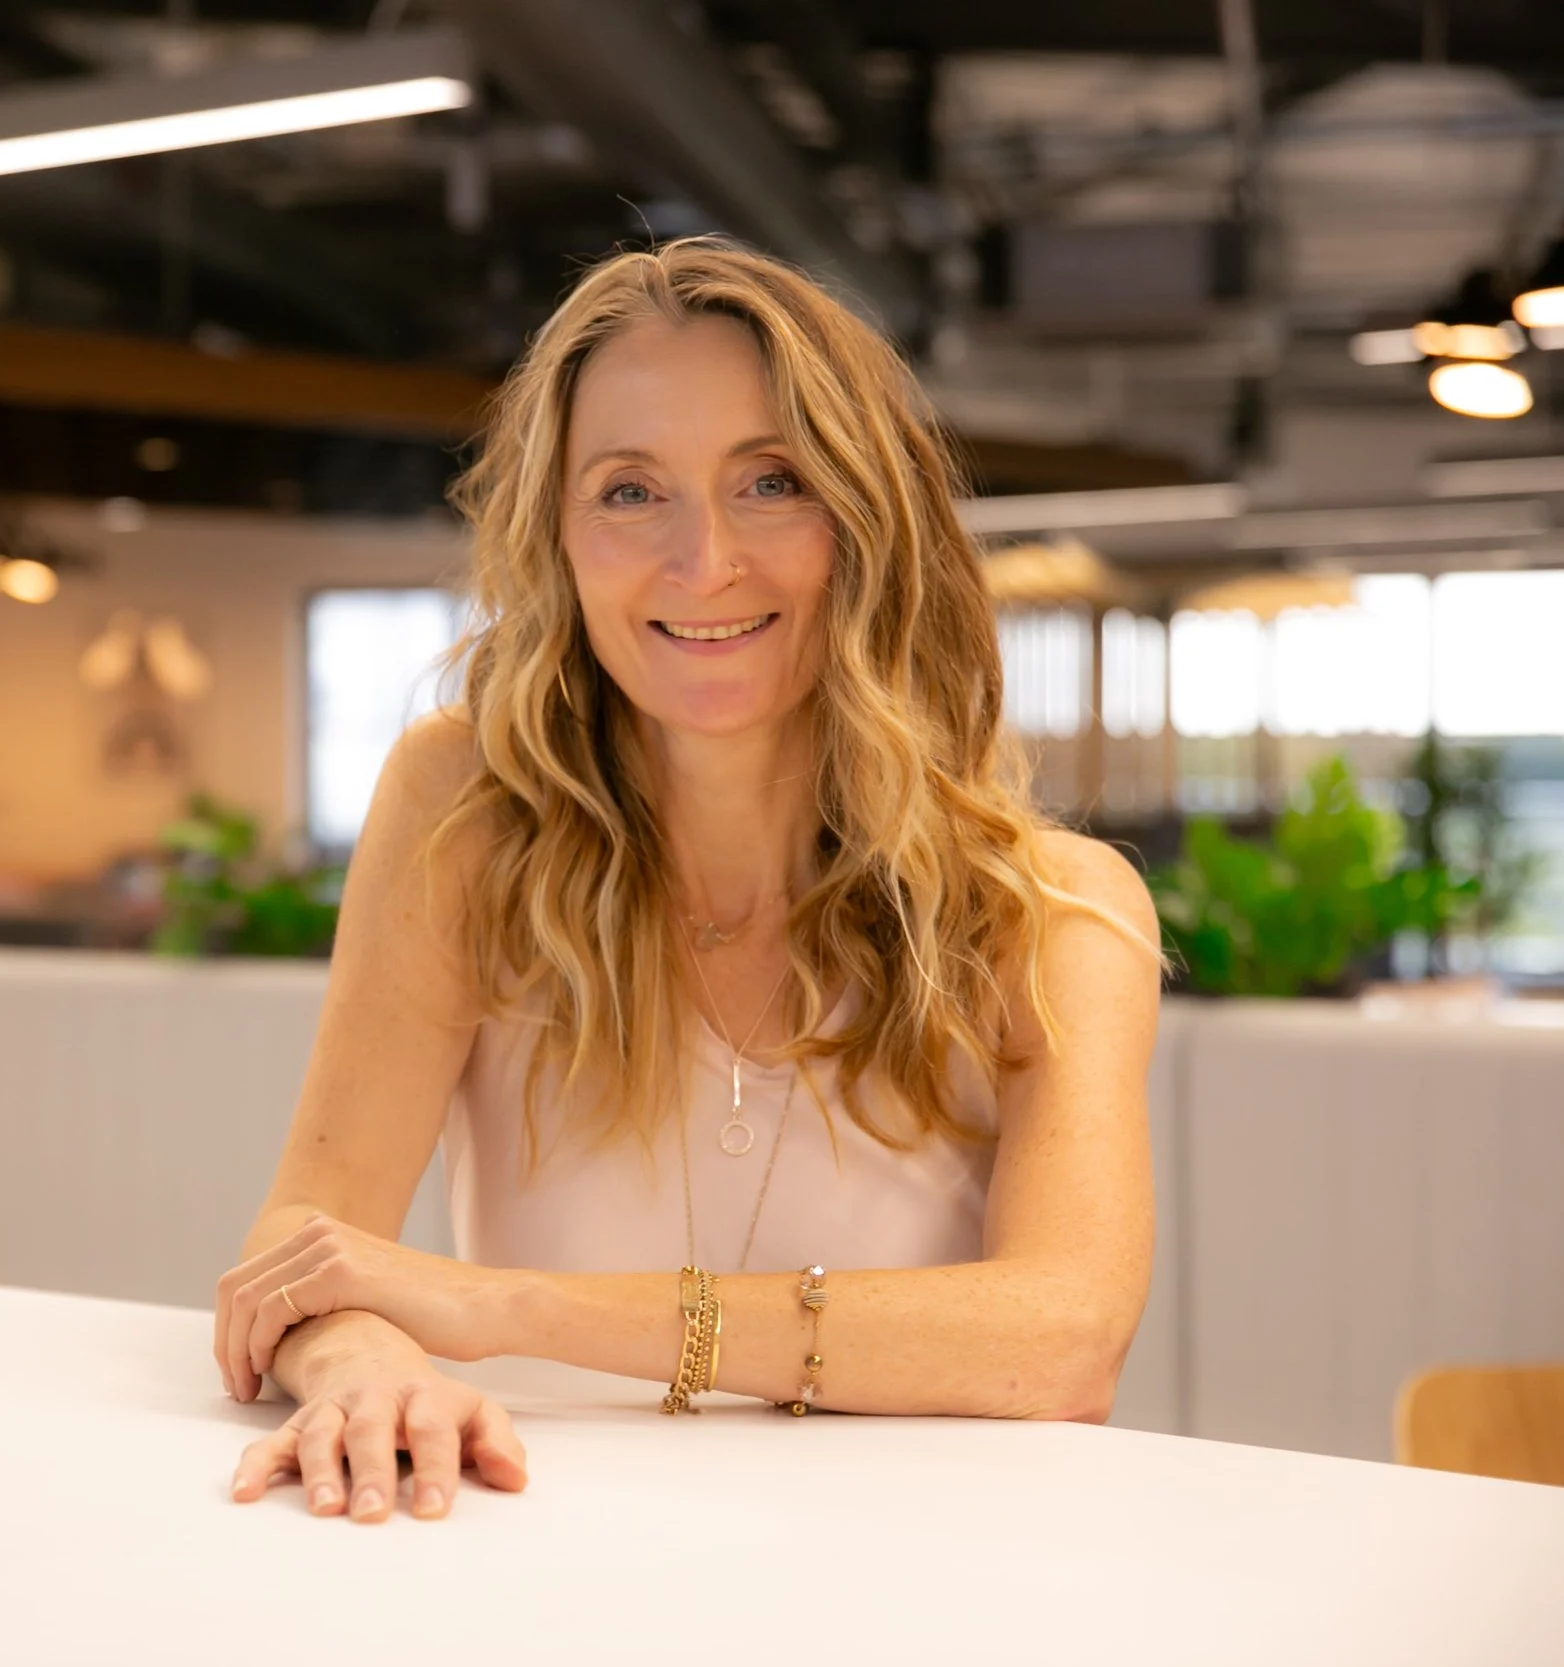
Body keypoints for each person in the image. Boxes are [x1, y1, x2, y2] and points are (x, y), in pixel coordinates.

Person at [216, 238, 1161, 1526]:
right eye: (628, 492)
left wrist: (505, 1309)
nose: (703, 560)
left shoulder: (1053, 915)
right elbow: (309, 1246)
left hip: (924, 1586)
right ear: (557, 534)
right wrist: (363, 1356)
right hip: (538, 1564)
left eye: (771, 482)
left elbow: (1060, 1342)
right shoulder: (468, 814)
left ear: (870, 522)